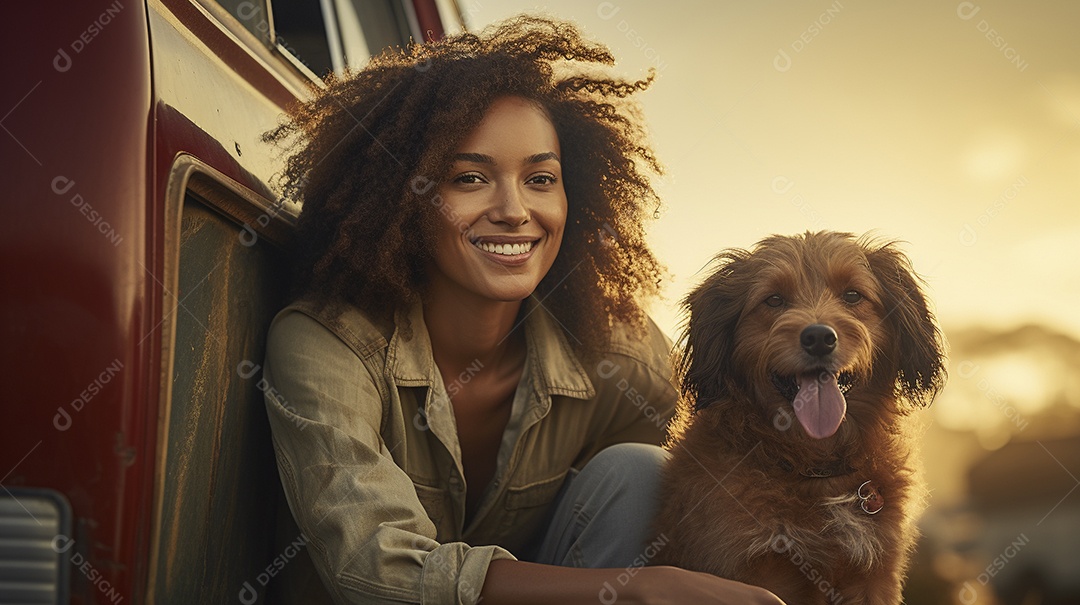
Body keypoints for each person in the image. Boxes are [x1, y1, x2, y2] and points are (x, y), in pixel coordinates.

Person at [261, 15, 785, 605]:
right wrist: (636, 590)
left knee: (641, 474)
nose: (514, 211)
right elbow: (372, 565)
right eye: (469, 178)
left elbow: (734, 463)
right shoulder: (326, 345)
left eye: (540, 178)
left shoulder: (619, 355)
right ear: (402, 197)